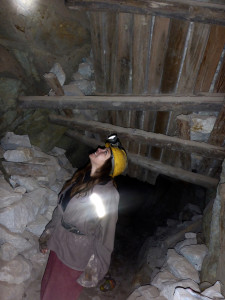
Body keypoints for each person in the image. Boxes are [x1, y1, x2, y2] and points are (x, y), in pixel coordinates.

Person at [39, 134, 127, 300]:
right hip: (59, 243)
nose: (99, 149)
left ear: (109, 165)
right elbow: (60, 210)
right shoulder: (80, 178)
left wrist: (96, 269)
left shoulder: (107, 194)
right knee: (48, 286)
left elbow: (105, 234)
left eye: (105, 152)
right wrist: (47, 236)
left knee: (59, 294)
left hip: (75, 253)